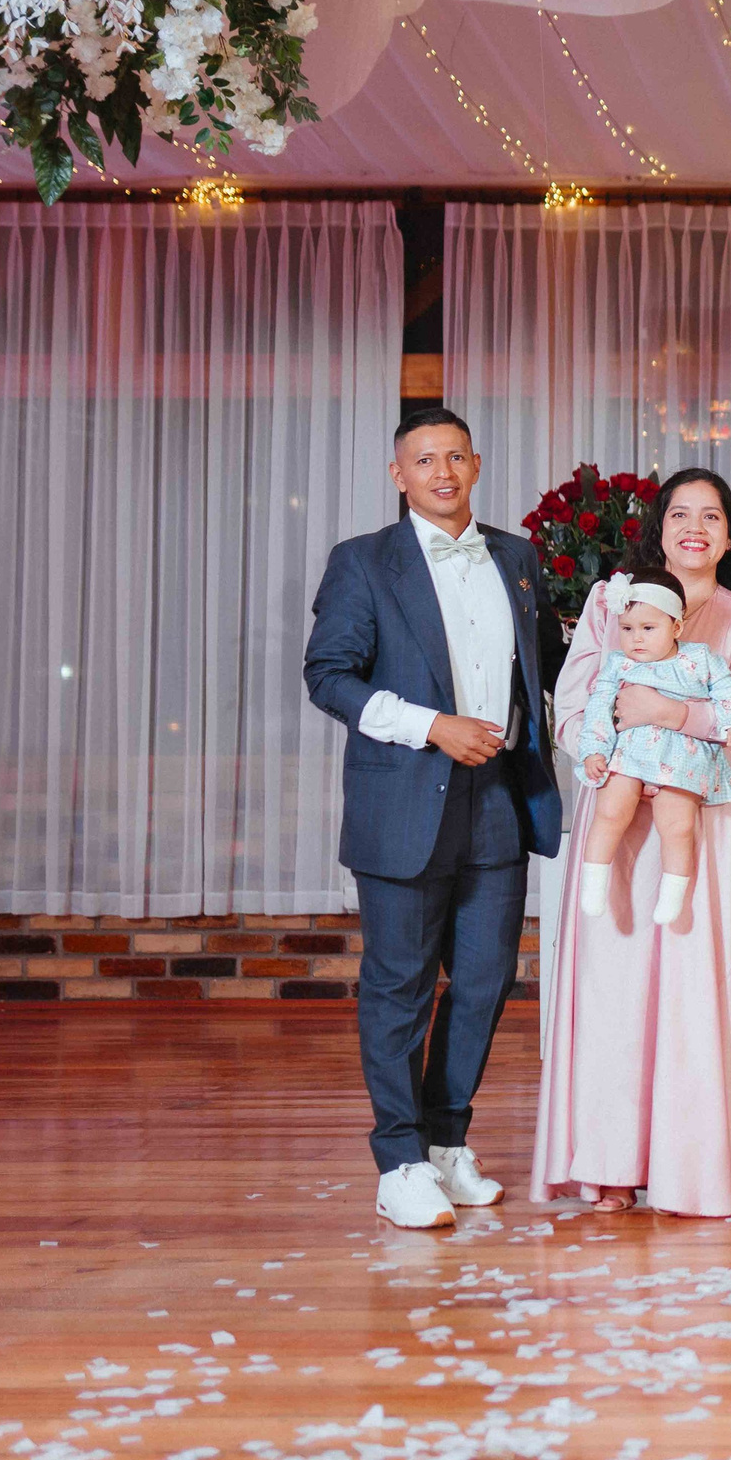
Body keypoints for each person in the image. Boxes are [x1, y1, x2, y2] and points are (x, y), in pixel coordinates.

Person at [304, 407, 562, 1230]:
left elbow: (549, 668)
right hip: (405, 798)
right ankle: (399, 1159)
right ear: (399, 475)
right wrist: (430, 726)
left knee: (485, 983)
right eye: (424, 460)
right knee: (400, 986)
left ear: (477, 465)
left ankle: (447, 1145)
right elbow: (328, 676)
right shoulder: (363, 562)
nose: (442, 472)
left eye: (455, 457)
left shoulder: (518, 556)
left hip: (499, 801)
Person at [532, 468, 731, 1218]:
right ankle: (608, 1168)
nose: (695, 527)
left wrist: (665, 716)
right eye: (681, 514)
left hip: (702, 818)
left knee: (691, 980)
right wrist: (602, 754)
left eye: (712, 515)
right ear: (660, 528)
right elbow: (574, 703)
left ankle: (691, 1169)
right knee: (614, 985)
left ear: (730, 535)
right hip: (617, 813)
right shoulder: (614, 602)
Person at [573, 568, 731, 927]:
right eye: (627, 629)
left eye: (648, 628)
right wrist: (594, 750)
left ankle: (673, 895)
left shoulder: (699, 658)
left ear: (676, 627)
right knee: (610, 810)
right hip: (629, 752)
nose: (636, 639)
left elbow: (727, 690)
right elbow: (598, 707)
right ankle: (592, 882)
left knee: (677, 825)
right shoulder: (618, 664)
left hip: (681, 755)